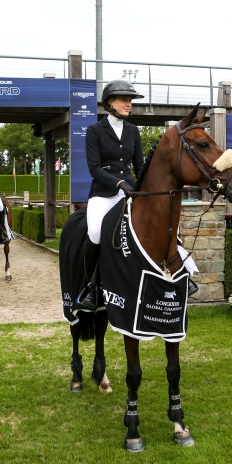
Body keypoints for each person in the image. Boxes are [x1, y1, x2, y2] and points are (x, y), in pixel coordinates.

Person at [77, 79, 147, 310]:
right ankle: (91, 287)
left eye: (130, 101)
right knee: (96, 232)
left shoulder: (134, 131)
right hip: (104, 193)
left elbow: (139, 167)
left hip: (129, 191)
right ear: (110, 103)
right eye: (125, 100)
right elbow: (94, 168)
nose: (129, 104)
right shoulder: (95, 130)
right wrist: (118, 183)